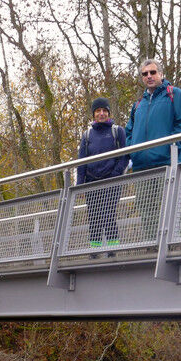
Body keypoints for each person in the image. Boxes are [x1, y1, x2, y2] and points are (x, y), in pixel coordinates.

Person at [125, 58, 181, 239]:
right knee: (147, 212)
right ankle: (152, 250)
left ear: (161, 74)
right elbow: (128, 131)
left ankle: (177, 246)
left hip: (167, 163)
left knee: (170, 209)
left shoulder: (174, 95)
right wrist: (133, 153)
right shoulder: (138, 104)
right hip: (141, 167)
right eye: (145, 74)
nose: (149, 76)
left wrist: (172, 151)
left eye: (153, 72)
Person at [77, 97, 129, 252]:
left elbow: (125, 155)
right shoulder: (87, 135)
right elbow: (81, 161)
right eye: (98, 111)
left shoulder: (117, 131)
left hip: (111, 180)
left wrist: (116, 173)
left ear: (108, 113)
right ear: (93, 114)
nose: (101, 114)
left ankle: (113, 251)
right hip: (91, 182)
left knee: (108, 215)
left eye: (104, 110)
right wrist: (79, 185)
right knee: (94, 218)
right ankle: (94, 252)